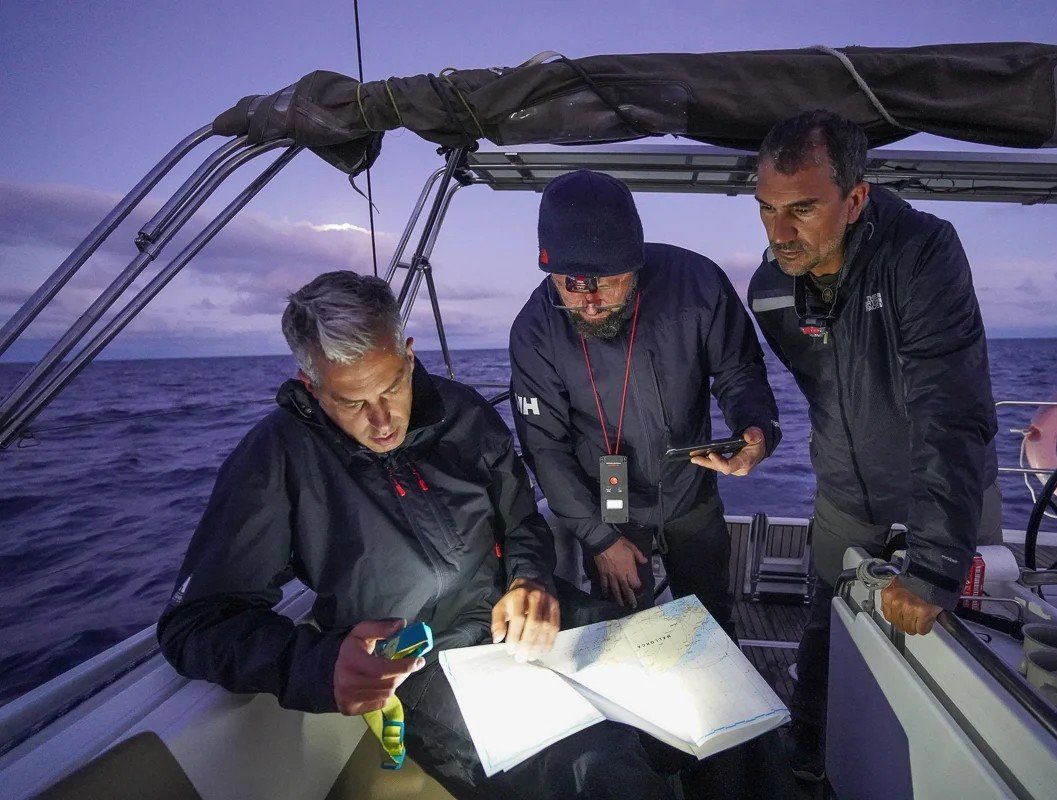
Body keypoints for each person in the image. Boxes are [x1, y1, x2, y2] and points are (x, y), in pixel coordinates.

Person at [157, 270, 676, 800]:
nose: (382, 420)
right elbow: (195, 624)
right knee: (596, 768)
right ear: (312, 387)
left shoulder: (465, 413)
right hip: (422, 667)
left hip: (524, 617)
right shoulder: (275, 459)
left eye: (392, 387)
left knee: (680, 666)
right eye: (352, 403)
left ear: (408, 356)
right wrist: (320, 664)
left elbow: (521, 521)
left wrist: (531, 579)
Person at [746, 111, 1003, 781]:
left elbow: (949, 405)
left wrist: (937, 564)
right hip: (843, 492)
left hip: (947, 488)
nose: (779, 232)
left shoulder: (923, 251)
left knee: (961, 646)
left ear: (855, 198)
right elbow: (818, 388)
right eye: (767, 208)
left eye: (802, 209)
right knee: (826, 627)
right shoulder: (768, 290)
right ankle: (809, 761)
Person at [509, 170, 781, 636]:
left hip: (690, 492)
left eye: (607, 284)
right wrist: (599, 540)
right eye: (572, 285)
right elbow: (545, 447)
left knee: (711, 622)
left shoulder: (698, 284)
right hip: (608, 508)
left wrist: (755, 428)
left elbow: (738, 370)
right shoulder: (535, 331)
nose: (590, 302)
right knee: (622, 633)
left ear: (634, 266)